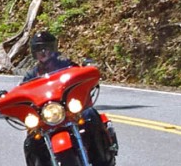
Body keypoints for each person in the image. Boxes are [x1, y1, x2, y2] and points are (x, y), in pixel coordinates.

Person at [18, 31, 117, 165]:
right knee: (31, 141)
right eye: (39, 49)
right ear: (34, 52)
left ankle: (103, 158)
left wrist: (87, 71)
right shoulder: (31, 76)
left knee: (90, 115)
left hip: (69, 112)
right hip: (47, 118)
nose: (43, 52)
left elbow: (79, 75)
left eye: (46, 48)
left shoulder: (66, 65)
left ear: (53, 49)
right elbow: (22, 92)